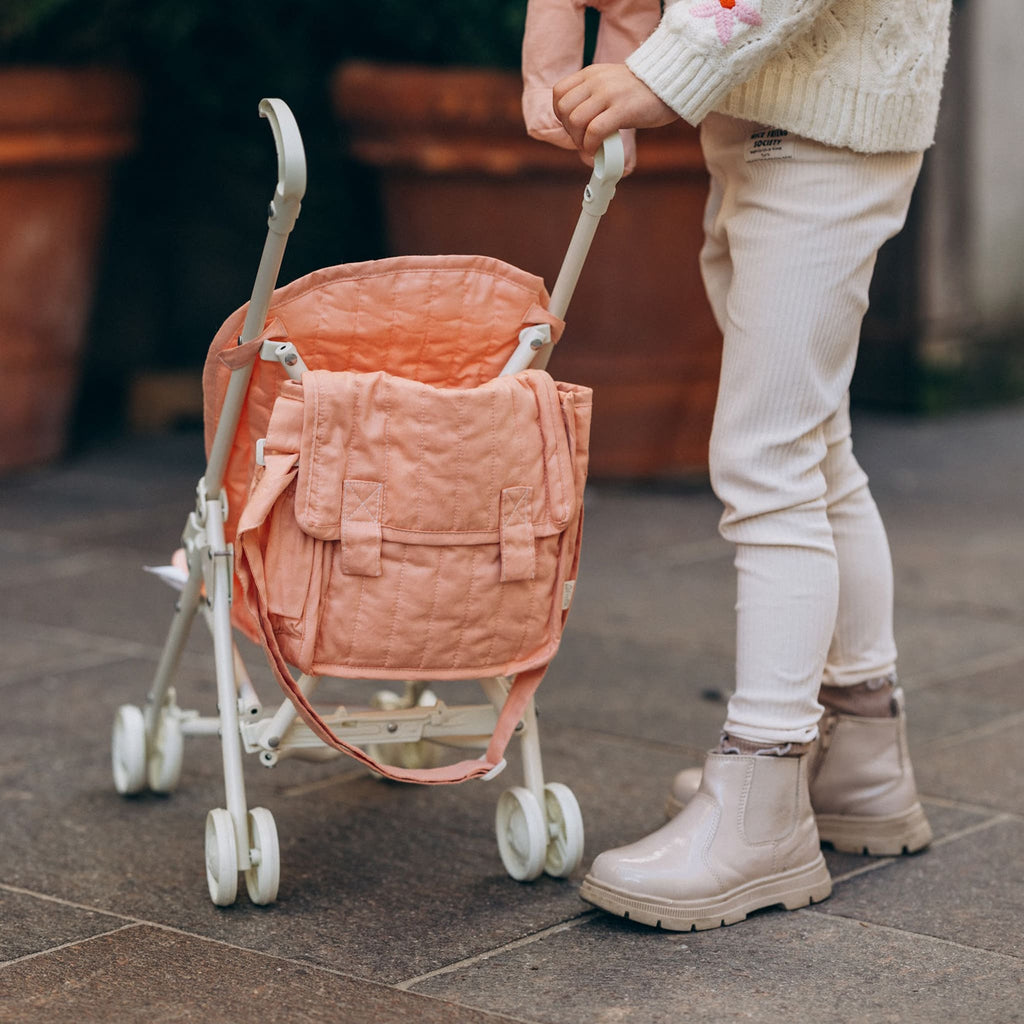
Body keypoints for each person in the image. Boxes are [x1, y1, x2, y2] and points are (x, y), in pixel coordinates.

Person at [522, 0, 953, 932]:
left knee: (769, 460)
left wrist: (654, 71)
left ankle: (762, 793)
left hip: (815, 134)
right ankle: (861, 753)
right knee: (813, 445)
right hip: (790, 118)